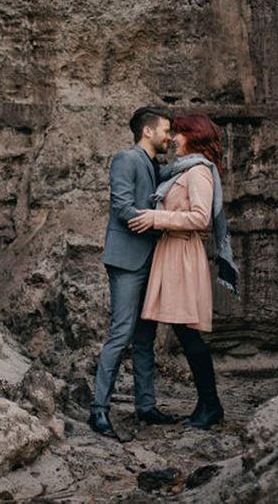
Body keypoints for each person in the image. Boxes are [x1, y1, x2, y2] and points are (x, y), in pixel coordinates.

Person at [128, 113, 239, 429]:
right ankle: (208, 404)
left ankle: (211, 405)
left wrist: (155, 218)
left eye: (179, 133)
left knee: (188, 332)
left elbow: (200, 218)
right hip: (172, 253)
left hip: (184, 255)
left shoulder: (199, 172)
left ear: (193, 136)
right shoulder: (183, 170)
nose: (173, 138)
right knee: (184, 331)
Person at [88, 106, 178, 439]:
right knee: (121, 332)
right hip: (127, 258)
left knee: (145, 337)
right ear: (148, 131)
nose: (169, 136)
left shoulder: (158, 167)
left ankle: (146, 406)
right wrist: (157, 221)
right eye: (165, 130)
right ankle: (98, 410)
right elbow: (122, 206)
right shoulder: (126, 159)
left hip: (152, 259)